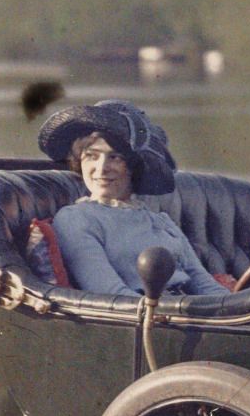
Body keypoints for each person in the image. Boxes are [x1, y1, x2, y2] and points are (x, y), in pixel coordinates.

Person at [35, 99, 230, 298]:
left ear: (134, 166)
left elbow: (206, 285)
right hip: (142, 319)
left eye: (115, 157)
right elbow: (111, 294)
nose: (101, 169)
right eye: (92, 156)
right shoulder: (76, 219)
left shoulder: (160, 221)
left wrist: (236, 308)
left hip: (187, 312)